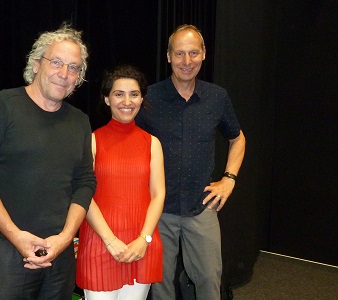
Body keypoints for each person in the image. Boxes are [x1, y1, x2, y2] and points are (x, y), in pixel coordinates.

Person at [0, 23, 96, 300]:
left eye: (74, 68)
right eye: (56, 62)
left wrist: (65, 238)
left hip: (59, 255)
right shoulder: (2, 106)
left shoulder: (80, 121)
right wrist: (16, 236)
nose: (64, 74)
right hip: (6, 253)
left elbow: (85, 181)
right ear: (36, 64)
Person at [135, 24, 246, 300]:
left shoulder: (217, 97)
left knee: (209, 281)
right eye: (180, 54)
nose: (187, 62)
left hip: (202, 207)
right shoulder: (148, 98)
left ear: (204, 54)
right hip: (159, 210)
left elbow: (238, 138)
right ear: (169, 56)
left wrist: (229, 179)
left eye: (193, 53)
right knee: (159, 286)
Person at [76, 65, 166, 300]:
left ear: (142, 98)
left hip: (142, 246)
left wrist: (144, 239)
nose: (127, 101)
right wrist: (110, 240)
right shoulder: (92, 141)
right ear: (107, 99)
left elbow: (158, 195)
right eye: (119, 94)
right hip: (100, 243)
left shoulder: (152, 143)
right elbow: (84, 195)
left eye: (134, 94)